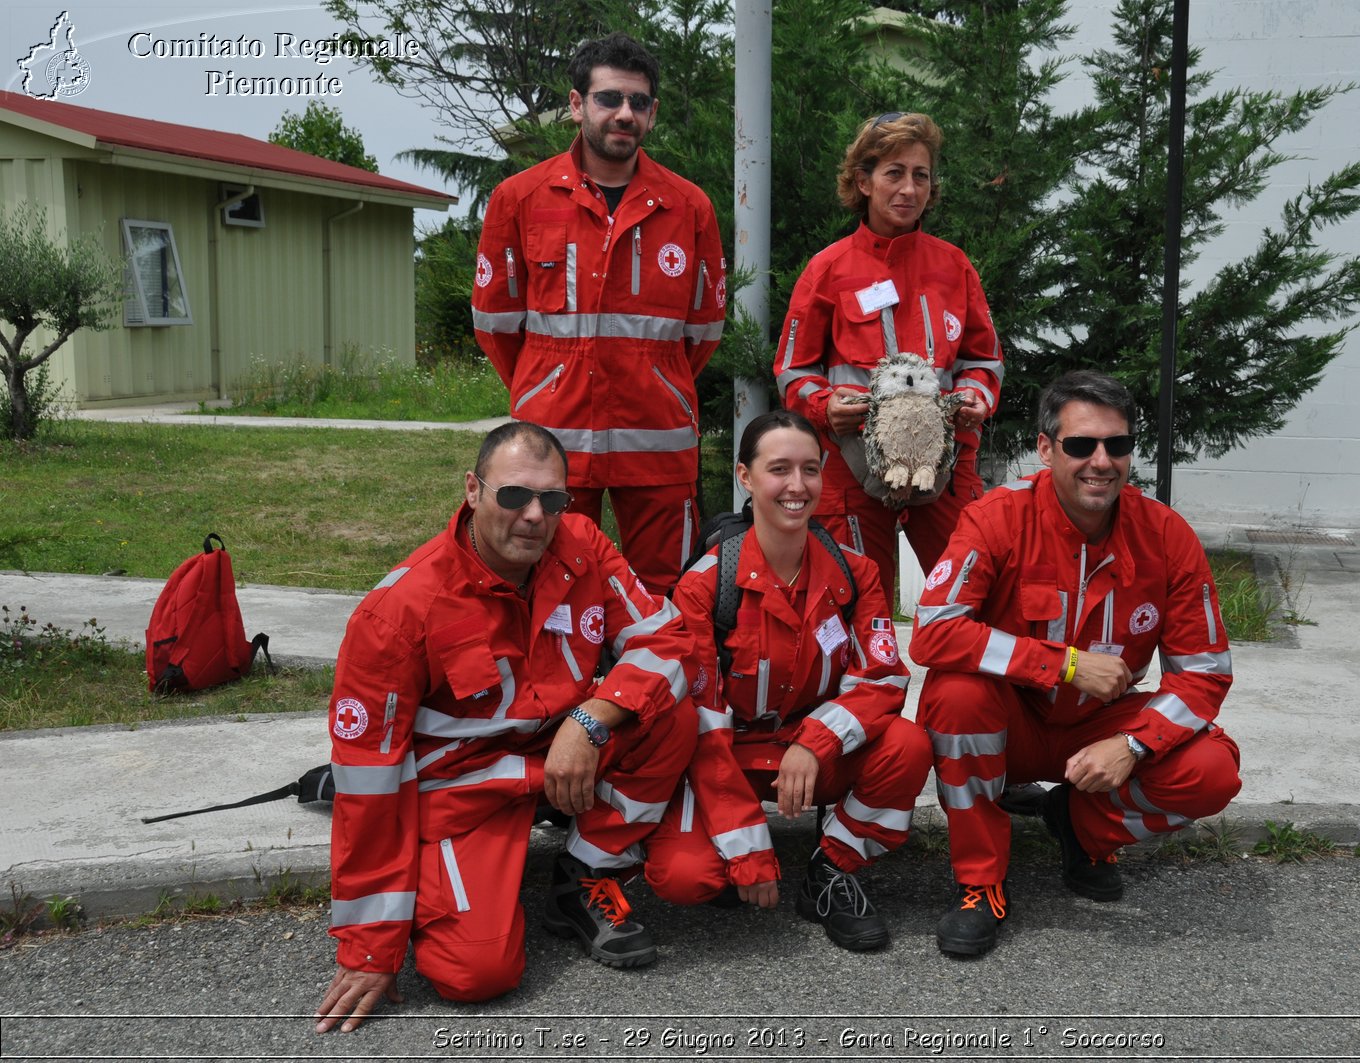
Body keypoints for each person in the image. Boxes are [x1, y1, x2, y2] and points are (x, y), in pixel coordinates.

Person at [314, 422, 697, 1033]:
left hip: (563, 753)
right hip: (467, 789)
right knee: (475, 975)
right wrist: (370, 948)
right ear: (472, 490)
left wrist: (592, 718)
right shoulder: (397, 613)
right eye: (514, 496)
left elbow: (668, 642)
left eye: (554, 499)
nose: (535, 517)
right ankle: (451, 876)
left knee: (673, 710)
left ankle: (585, 877)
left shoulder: (583, 545)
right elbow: (369, 785)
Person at [908, 370, 1242, 957]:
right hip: (1011, 722)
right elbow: (934, 633)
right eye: (1081, 445)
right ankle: (980, 883)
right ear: (1045, 448)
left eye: (1117, 445)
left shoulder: (1167, 535)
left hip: (1097, 729)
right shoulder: (996, 517)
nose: (1101, 461)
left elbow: (1204, 672)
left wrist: (1134, 745)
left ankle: (1081, 826)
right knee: (955, 695)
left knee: (1212, 768)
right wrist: (1063, 664)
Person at [643, 410, 931, 950]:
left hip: (811, 757)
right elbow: (700, 724)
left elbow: (884, 679)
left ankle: (831, 870)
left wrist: (816, 743)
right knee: (686, 879)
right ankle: (731, 854)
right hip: (726, 757)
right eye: (779, 470)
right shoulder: (705, 586)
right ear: (746, 478)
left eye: (810, 470)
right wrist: (747, 849)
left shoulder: (856, 573)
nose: (797, 486)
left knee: (907, 745)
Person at [473, 31, 726, 597]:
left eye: (638, 102)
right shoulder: (519, 198)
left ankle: (655, 686)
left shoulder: (690, 207)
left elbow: (703, 331)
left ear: (653, 113)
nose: (624, 114)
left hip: (657, 439)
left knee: (667, 594)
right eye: (609, 98)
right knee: (547, 584)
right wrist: (546, 381)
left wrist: (656, 378)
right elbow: (495, 326)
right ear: (576, 104)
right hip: (552, 441)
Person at [773, 112, 1003, 609]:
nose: (909, 188)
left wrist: (977, 399)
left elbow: (984, 357)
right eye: (893, 173)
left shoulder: (954, 266)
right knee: (855, 606)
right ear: (863, 180)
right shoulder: (828, 268)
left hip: (945, 468)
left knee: (977, 598)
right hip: (850, 471)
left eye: (920, 175)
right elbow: (793, 369)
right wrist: (825, 407)